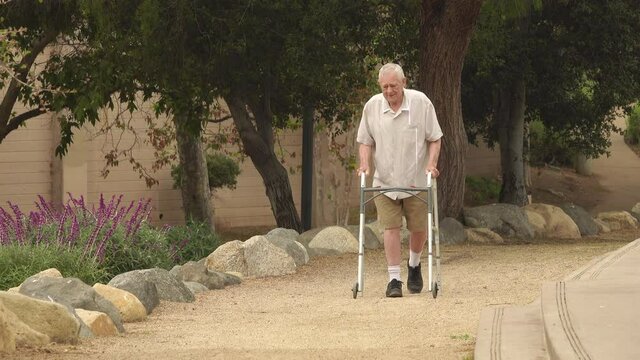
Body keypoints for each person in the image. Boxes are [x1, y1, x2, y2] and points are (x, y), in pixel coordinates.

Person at [356, 63, 443, 298]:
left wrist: (431, 164)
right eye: (384, 86)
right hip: (385, 180)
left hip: (415, 179)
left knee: (418, 228)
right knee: (390, 227)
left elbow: (435, 138)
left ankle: (414, 265)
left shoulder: (421, 103)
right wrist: (364, 163)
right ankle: (394, 279)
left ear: (404, 83)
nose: (388, 91)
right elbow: (365, 140)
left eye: (393, 86)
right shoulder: (372, 107)